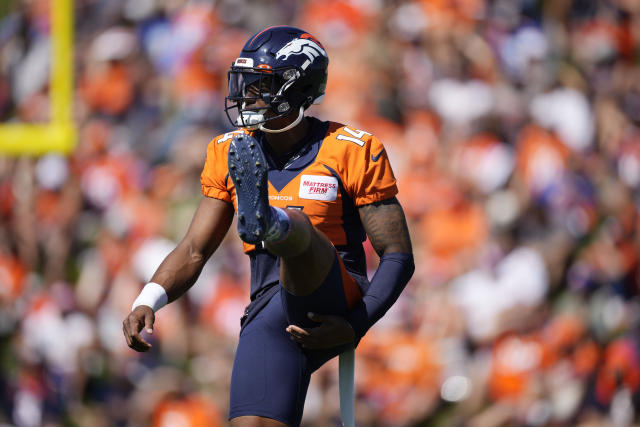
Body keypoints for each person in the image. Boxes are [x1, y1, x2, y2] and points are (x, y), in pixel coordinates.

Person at [122, 25, 414, 427]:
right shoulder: (229, 149)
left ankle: (274, 223)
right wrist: (148, 299)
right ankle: (272, 223)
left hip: (337, 293)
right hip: (271, 309)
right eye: (244, 84)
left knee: (301, 231)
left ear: (297, 88)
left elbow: (398, 255)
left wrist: (356, 322)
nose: (246, 95)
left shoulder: (350, 149)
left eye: (260, 84)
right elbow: (194, 249)